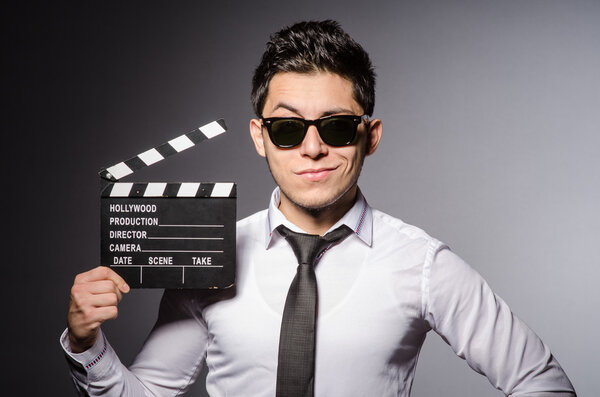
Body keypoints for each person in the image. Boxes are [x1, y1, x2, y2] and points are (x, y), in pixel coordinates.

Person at [61, 20, 576, 396]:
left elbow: (541, 382)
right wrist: (87, 343)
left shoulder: (422, 265)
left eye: (334, 126)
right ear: (260, 138)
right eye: (288, 129)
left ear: (368, 136)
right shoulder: (210, 257)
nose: (312, 149)